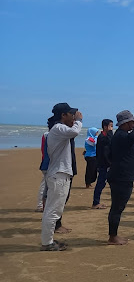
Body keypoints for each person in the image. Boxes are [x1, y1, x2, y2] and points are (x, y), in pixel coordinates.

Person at [40, 103, 82, 251]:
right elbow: (75, 132)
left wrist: (74, 120)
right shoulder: (58, 128)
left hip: (59, 174)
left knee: (54, 210)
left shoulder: (57, 129)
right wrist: (78, 120)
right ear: (63, 115)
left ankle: (49, 239)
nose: (73, 116)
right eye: (70, 114)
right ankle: (47, 243)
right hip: (59, 175)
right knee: (53, 211)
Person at [107, 110, 134, 245]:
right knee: (117, 207)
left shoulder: (121, 135)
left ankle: (113, 235)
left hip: (122, 176)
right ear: (127, 123)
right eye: (132, 122)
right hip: (121, 177)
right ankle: (112, 236)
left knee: (118, 207)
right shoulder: (121, 135)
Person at [93, 119, 113, 209]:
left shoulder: (104, 136)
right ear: (105, 127)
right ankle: (95, 203)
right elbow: (105, 151)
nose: (112, 128)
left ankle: (97, 201)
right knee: (101, 183)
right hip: (103, 164)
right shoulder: (102, 137)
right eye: (110, 126)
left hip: (106, 164)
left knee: (105, 183)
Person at [35, 128, 50, 212]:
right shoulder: (47, 134)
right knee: (44, 185)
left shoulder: (46, 134)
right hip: (47, 163)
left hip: (46, 162)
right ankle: (40, 205)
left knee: (45, 186)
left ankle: (42, 205)